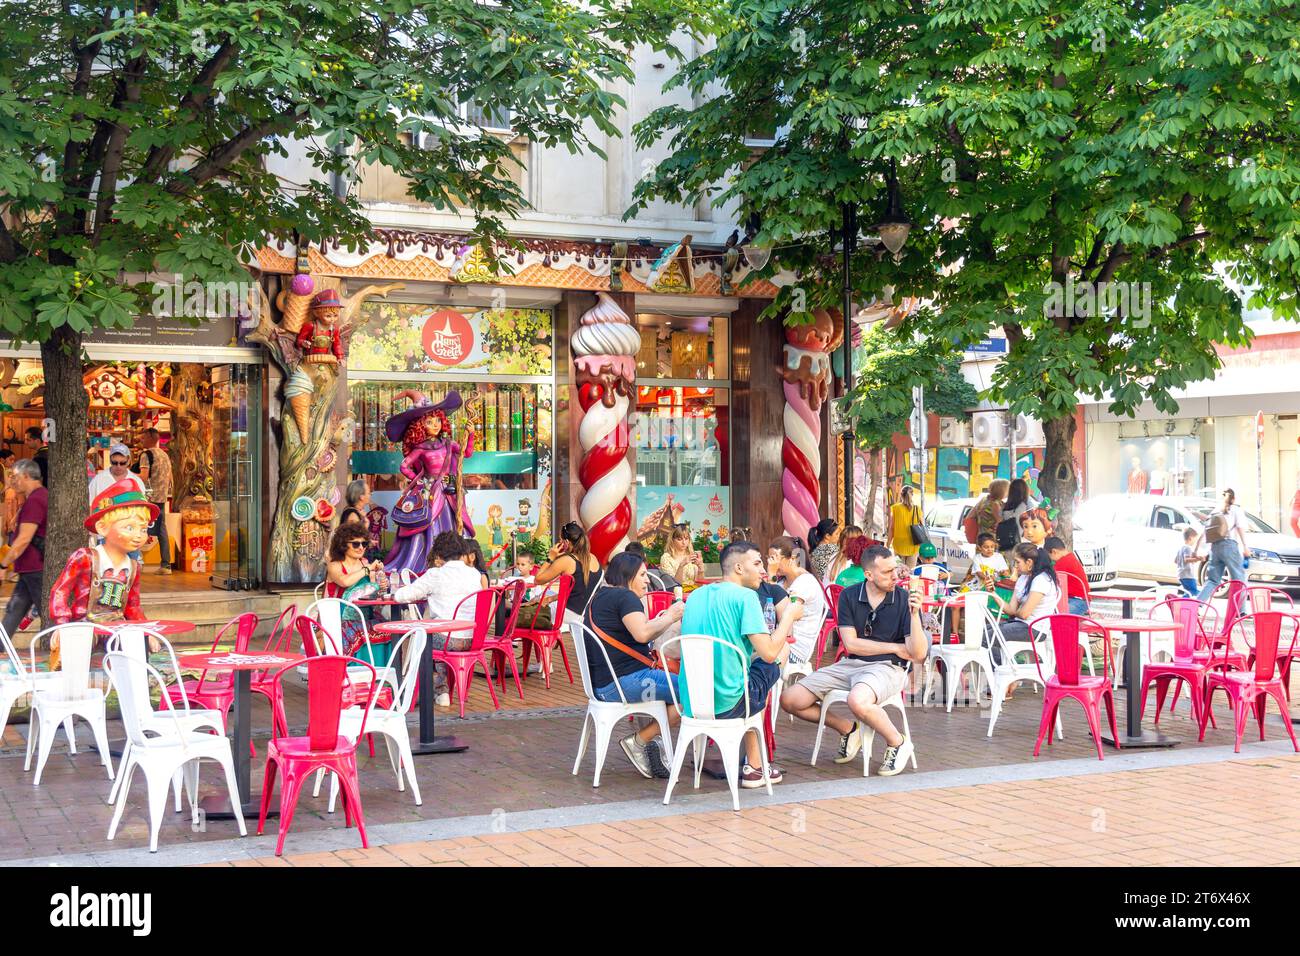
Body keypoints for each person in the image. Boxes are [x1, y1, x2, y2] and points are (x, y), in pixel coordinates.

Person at [780, 545, 926, 776]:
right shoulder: (849, 595)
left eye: (895, 570)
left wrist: (916, 614)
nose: (894, 576)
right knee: (790, 699)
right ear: (869, 574)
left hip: (888, 667)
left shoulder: (904, 598)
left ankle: (897, 742)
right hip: (851, 664)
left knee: (857, 701)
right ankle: (848, 729)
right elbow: (851, 644)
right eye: (887, 572)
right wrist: (896, 647)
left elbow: (917, 654)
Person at [678, 541, 802, 789]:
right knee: (779, 654)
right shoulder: (746, 597)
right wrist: (788, 617)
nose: (763, 570)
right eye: (757, 563)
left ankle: (755, 764)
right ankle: (755, 765)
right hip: (730, 704)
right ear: (738, 567)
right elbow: (768, 653)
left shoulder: (696, 595)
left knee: (750, 671)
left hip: (691, 703)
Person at [582, 551, 686, 779]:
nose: (647, 580)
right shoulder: (626, 598)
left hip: (603, 684)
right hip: (626, 681)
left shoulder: (600, 597)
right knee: (696, 693)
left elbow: (639, 633)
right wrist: (671, 615)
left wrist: (660, 620)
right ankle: (641, 741)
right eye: (642, 574)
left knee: (679, 695)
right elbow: (641, 635)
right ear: (628, 576)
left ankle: (653, 742)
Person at [47, 478, 156, 668]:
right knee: (75, 647)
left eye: (143, 529)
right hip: (85, 623)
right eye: (129, 528)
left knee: (136, 648)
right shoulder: (85, 558)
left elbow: (133, 606)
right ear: (102, 527)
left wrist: (146, 631)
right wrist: (62, 624)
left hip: (117, 624)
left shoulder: (132, 567)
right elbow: (60, 591)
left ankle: (135, 687)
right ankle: (71, 687)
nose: (138, 535)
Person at [382, 390, 474, 578]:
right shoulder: (420, 448)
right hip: (431, 493)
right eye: (429, 422)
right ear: (419, 425)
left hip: (449, 491)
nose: (435, 425)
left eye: (438, 421)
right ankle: (429, 564)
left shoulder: (448, 443)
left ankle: (455, 565)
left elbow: (467, 453)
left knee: (454, 525)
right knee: (427, 526)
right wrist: (421, 481)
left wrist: (470, 434)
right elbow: (404, 466)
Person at [324, 523, 389, 656]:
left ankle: (381, 672)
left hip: (365, 614)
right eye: (355, 544)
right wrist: (368, 570)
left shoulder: (365, 563)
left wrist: (381, 585)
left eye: (364, 544)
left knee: (388, 628)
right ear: (343, 544)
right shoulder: (335, 565)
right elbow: (344, 581)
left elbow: (371, 592)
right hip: (337, 617)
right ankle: (353, 670)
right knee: (357, 631)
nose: (361, 548)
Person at [0, 460, 47, 639]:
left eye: (14, 476)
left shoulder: (36, 500)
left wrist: (4, 565)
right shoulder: (38, 497)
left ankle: (67, 651)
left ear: (26, 476)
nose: (12, 481)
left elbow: (23, 539)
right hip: (31, 568)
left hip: (36, 569)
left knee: (49, 615)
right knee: (14, 611)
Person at [767, 536, 826, 666]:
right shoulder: (782, 581)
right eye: (769, 558)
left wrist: (771, 574)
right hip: (778, 642)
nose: (771, 563)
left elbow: (772, 607)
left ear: (792, 558)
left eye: (775, 558)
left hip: (793, 649)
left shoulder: (805, 582)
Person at [990, 543, 1060, 651]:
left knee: (988, 636)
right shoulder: (1023, 578)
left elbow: (1024, 614)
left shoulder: (1042, 579)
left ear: (1029, 562)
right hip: (1020, 624)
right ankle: (1003, 664)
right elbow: (1011, 610)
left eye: (1018, 562)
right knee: (984, 630)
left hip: (1034, 629)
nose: (1015, 566)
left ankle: (1001, 667)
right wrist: (993, 593)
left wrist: (1016, 612)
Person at [534, 521, 603, 629]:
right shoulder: (594, 558)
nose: (559, 542)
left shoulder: (567, 561)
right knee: (545, 594)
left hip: (565, 614)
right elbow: (577, 592)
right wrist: (550, 598)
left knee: (535, 599)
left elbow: (537, 580)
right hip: (584, 616)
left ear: (566, 542)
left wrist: (550, 557)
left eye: (560, 539)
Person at [1195, 488, 1250, 601]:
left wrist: (1196, 549)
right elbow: (1240, 528)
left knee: (1212, 580)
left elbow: (1205, 530)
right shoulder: (1236, 510)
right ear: (1233, 499)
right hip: (1229, 545)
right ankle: (1241, 611)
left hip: (1215, 547)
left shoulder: (1216, 511)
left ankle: (1197, 604)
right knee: (1239, 579)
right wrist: (1245, 547)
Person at [135, 428, 173, 574]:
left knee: (138, 527)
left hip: (148, 498)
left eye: (143, 438)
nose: (141, 440)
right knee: (162, 530)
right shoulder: (165, 455)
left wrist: (129, 474)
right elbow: (169, 478)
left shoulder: (146, 454)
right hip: (161, 497)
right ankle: (166, 565)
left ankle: (136, 563)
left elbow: (144, 477)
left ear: (151, 438)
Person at [1045, 535, 1089, 615]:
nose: (1051, 560)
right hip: (1081, 600)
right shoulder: (1070, 557)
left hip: (1076, 601)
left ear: (1054, 552)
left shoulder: (1062, 563)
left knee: (1053, 617)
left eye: (1050, 557)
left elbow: (1048, 580)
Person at [997, 478, 1037, 561]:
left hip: (1007, 543)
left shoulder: (1005, 506)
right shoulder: (1027, 504)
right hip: (1023, 543)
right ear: (1025, 490)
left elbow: (999, 520)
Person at [888, 486, 924, 569]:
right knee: (910, 573)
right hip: (913, 545)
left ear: (901, 495)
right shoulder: (917, 508)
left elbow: (892, 528)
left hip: (898, 546)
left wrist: (888, 544)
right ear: (912, 495)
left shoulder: (895, 508)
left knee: (899, 572)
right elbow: (922, 525)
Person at [1175, 527, 1204, 597]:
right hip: (1188, 575)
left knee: (1188, 591)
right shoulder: (1188, 548)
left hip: (1181, 575)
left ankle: (1184, 604)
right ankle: (1181, 601)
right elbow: (1186, 560)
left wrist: (1193, 560)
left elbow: (1176, 560)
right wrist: (1198, 559)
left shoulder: (1181, 548)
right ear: (1190, 538)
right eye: (1195, 539)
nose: (1195, 542)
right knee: (1193, 591)